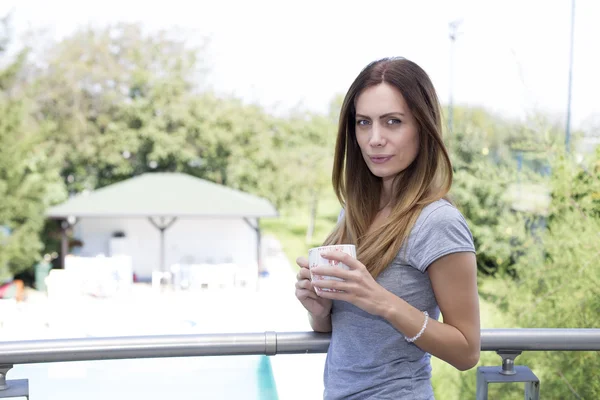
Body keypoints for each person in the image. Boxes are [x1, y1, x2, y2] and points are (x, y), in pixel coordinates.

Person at [294, 57, 480, 399]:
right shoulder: (352, 212)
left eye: (392, 122)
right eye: (364, 122)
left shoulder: (438, 222)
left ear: (422, 128)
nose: (374, 139)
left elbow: (467, 351)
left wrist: (381, 301)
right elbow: (349, 335)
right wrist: (319, 311)